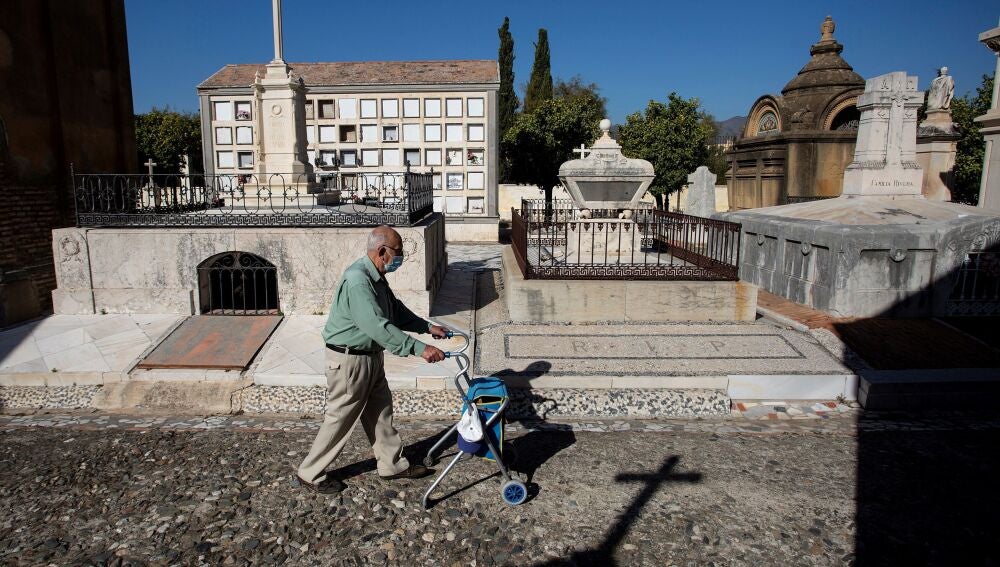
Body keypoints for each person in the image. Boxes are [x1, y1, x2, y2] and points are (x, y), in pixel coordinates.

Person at [296, 225, 447, 493]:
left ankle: (392, 465)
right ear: (382, 251)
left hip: (370, 357)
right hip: (349, 362)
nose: (400, 258)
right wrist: (418, 348)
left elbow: (394, 311)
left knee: (380, 412)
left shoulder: (374, 275)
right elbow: (377, 325)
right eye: (398, 253)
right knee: (340, 418)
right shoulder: (358, 280)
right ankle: (310, 473)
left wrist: (426, 327)